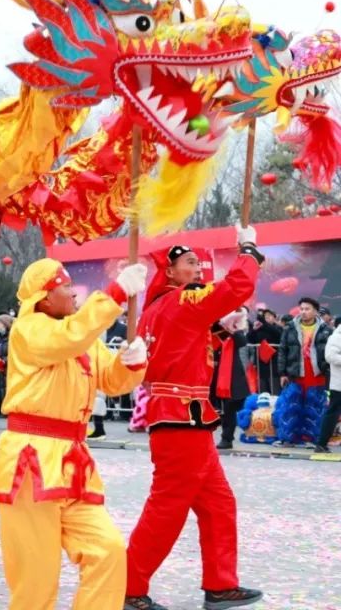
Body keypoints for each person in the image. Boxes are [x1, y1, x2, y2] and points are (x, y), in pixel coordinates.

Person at [124, 227, 265, 610]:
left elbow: (182, 347)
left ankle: (220, 584)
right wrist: (249, 251)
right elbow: (233, 289)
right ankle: (127, 586)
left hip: (185, 420)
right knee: (167, 507)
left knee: (218, 503)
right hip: (180, 420)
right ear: (170, 272)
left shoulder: (159, 307)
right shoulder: (182, 300)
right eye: (190, 263)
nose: (198, 270)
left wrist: (219, 329)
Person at [0, 259, 147, 610]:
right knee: (36, 578)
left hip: (72, 460)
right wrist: (115, 294)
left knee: (107, 550)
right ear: (45, 298)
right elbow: (68, 338)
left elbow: (111, 380)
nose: (74, 292)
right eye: (66, 287)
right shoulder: (30, 330)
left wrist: (131, 362)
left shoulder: (81, 334)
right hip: (31, 459)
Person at [274, 297, 330, 446]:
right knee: (292, 406)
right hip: (295, 373)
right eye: (302, 309)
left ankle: (313, 438)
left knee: (314, 406)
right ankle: (289, 438)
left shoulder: (325, 329)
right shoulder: (290, 328)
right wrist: (283, 373)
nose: (304, 312)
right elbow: (282, 351)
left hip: (317, 374)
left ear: (315, 311)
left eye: (307, 309)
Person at [210, 308, 255, 450]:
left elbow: (242, 342)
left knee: (229, 407)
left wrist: (231, 327)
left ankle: (227, 437)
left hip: (230, 374)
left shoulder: (235, 329)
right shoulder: (213, 327)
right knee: (213, 407)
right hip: (211, 371)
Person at [315, 321, 341, 453]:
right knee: (333, 412)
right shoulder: (336, 336)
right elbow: (330, 356)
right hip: (339, 383)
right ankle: (321, 443)